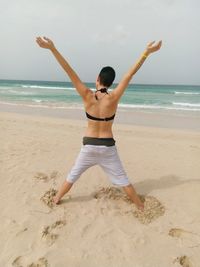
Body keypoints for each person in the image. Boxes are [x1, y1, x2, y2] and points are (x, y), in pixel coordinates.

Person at [36, 36, 162, 211]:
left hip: (89, 145)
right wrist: (146, 53)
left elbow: (69, 71)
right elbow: (129, 74)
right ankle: (140, 206)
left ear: (98, 79)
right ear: (110, 82)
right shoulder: (114, 97)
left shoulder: (87, 95)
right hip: (107, 147)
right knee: (123, 179)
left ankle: (57, 198)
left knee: (73, 175)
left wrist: (52, 48)